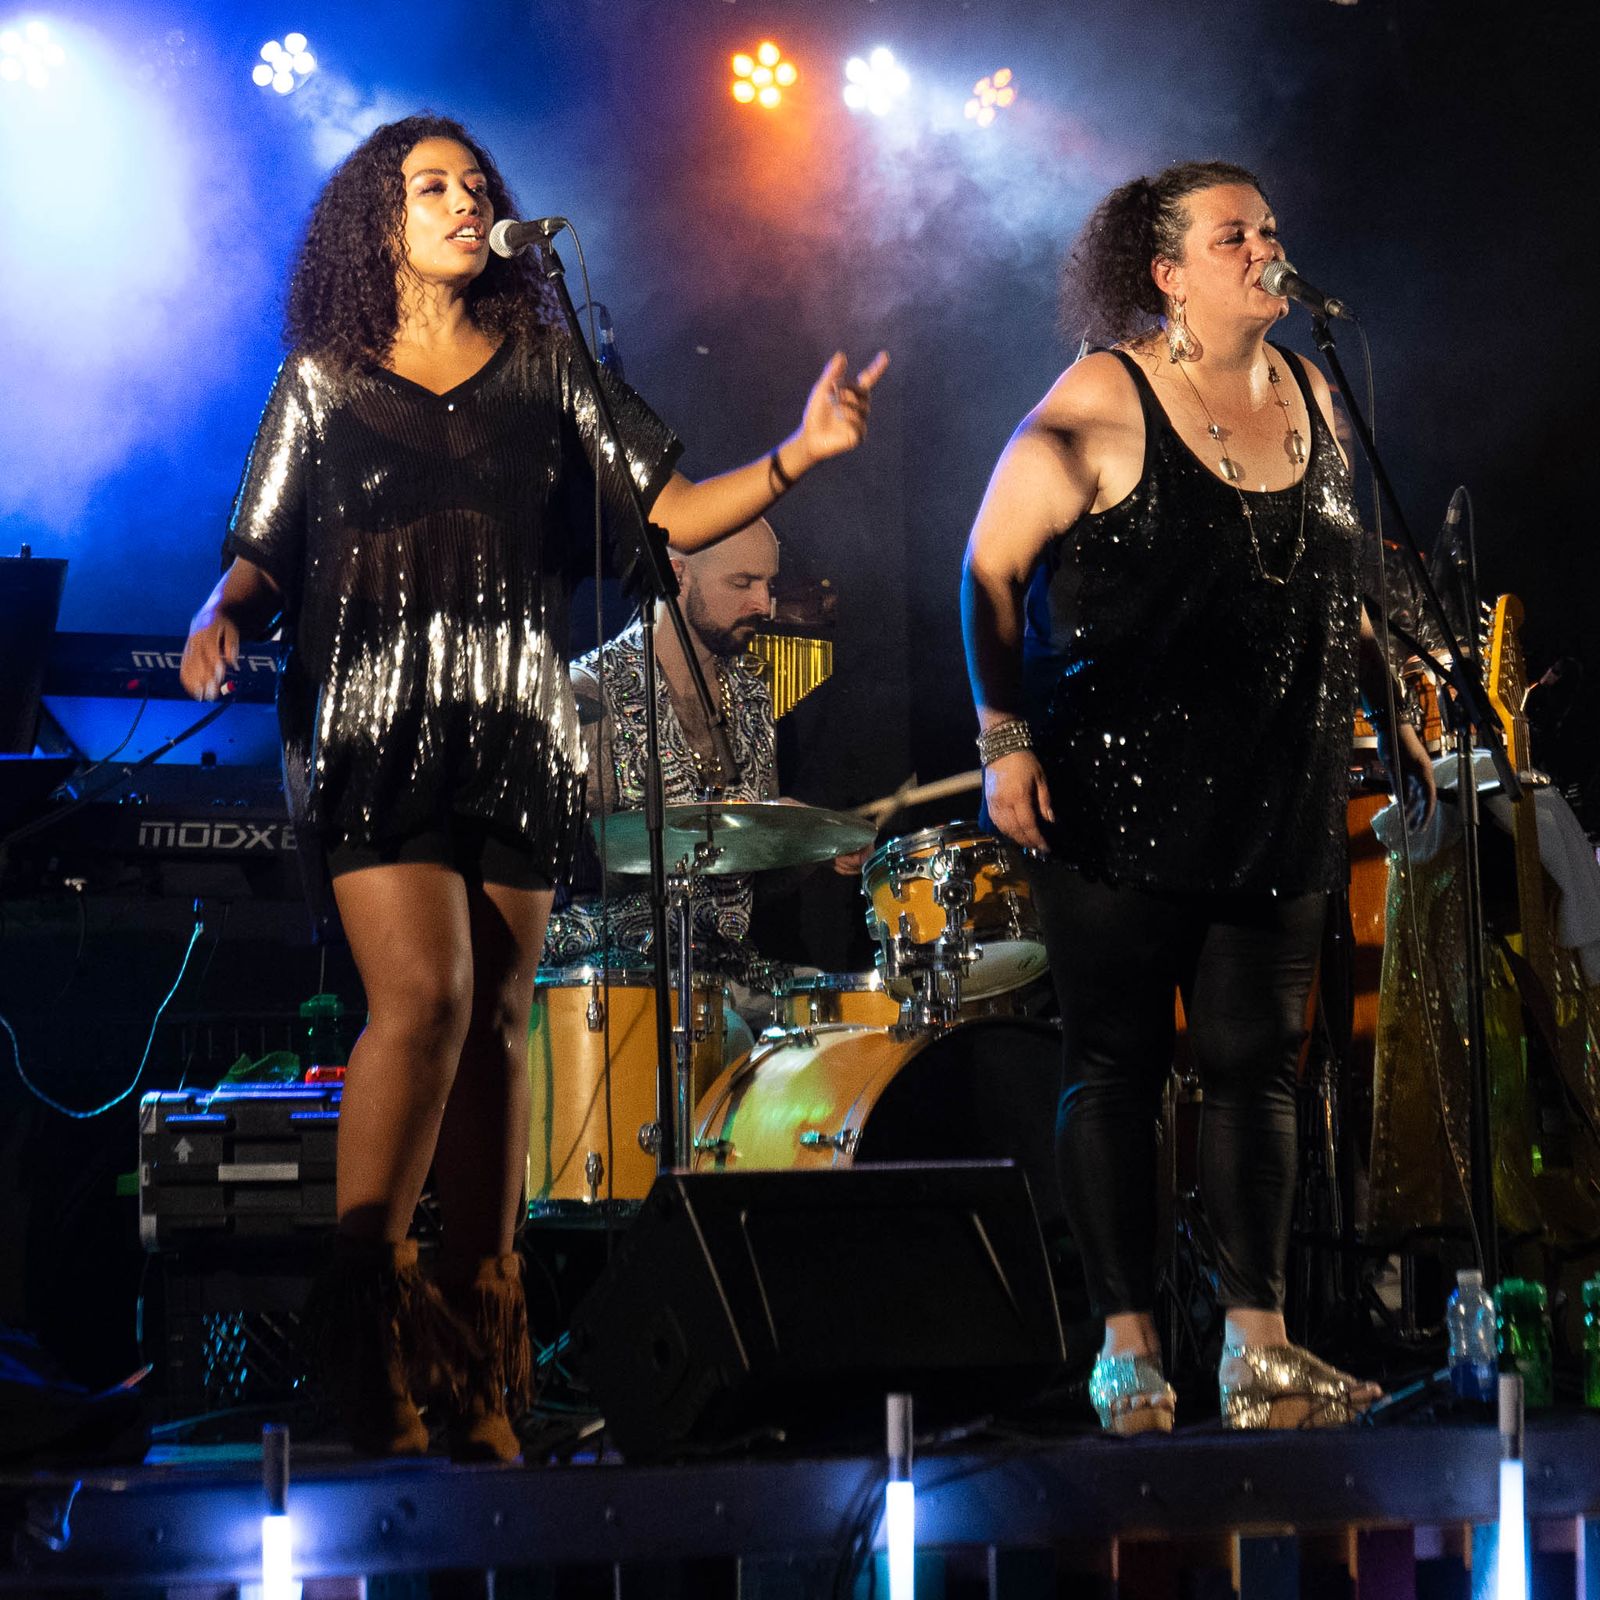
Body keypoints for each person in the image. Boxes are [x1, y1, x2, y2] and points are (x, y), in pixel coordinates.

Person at [177, 114, 888, 1460]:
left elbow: (675, 515)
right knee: (426, 1000)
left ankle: (473, 1364)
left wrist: (799, 453)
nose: (463, 201)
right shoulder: (321, 383)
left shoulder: (553, 372)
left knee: (501, 1019)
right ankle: (367, 1347)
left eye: (474, 183)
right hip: (374, 724)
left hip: (515, 725)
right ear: (376, 225)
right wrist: (221, 615)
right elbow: (261, 549)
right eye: (429, 187)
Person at [960, 160, 1435, 1434]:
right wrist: (1004, 740)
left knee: (1256, 1067)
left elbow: (1342, 586)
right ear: (1165, 272)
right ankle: (1127, 1350)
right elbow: (988, 570)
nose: (1264, 248)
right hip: (1113, 786)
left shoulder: (1315, 392)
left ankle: (1254, 1349)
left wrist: (1394, 713)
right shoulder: (1097, 398)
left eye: (1269, 228)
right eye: (1233, 235)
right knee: (1117, 1062)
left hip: (1275, 781)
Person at [543, 515, 867, 998]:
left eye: (768, 584)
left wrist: (803, 846)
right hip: (617, 979)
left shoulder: (753, 697)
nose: (762, 604)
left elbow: (740, 882)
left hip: (729, 971)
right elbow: (565, 870)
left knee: (846, 1008)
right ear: (676, 575)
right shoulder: (590, 694)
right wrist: (697, 838)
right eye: (741, 583)